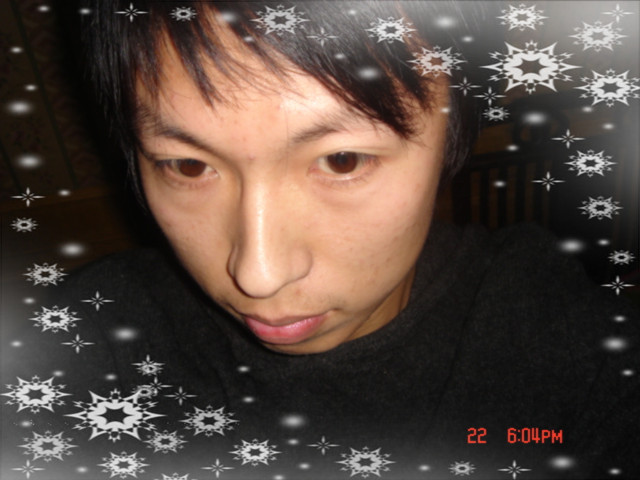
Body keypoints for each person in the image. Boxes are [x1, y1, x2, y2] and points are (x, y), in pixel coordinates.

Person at [2, 2, 638, 479]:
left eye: (342, 160)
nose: (259, 274)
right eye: (188, 166)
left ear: (454, 135)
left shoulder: (575, 354)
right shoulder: (84, 344)